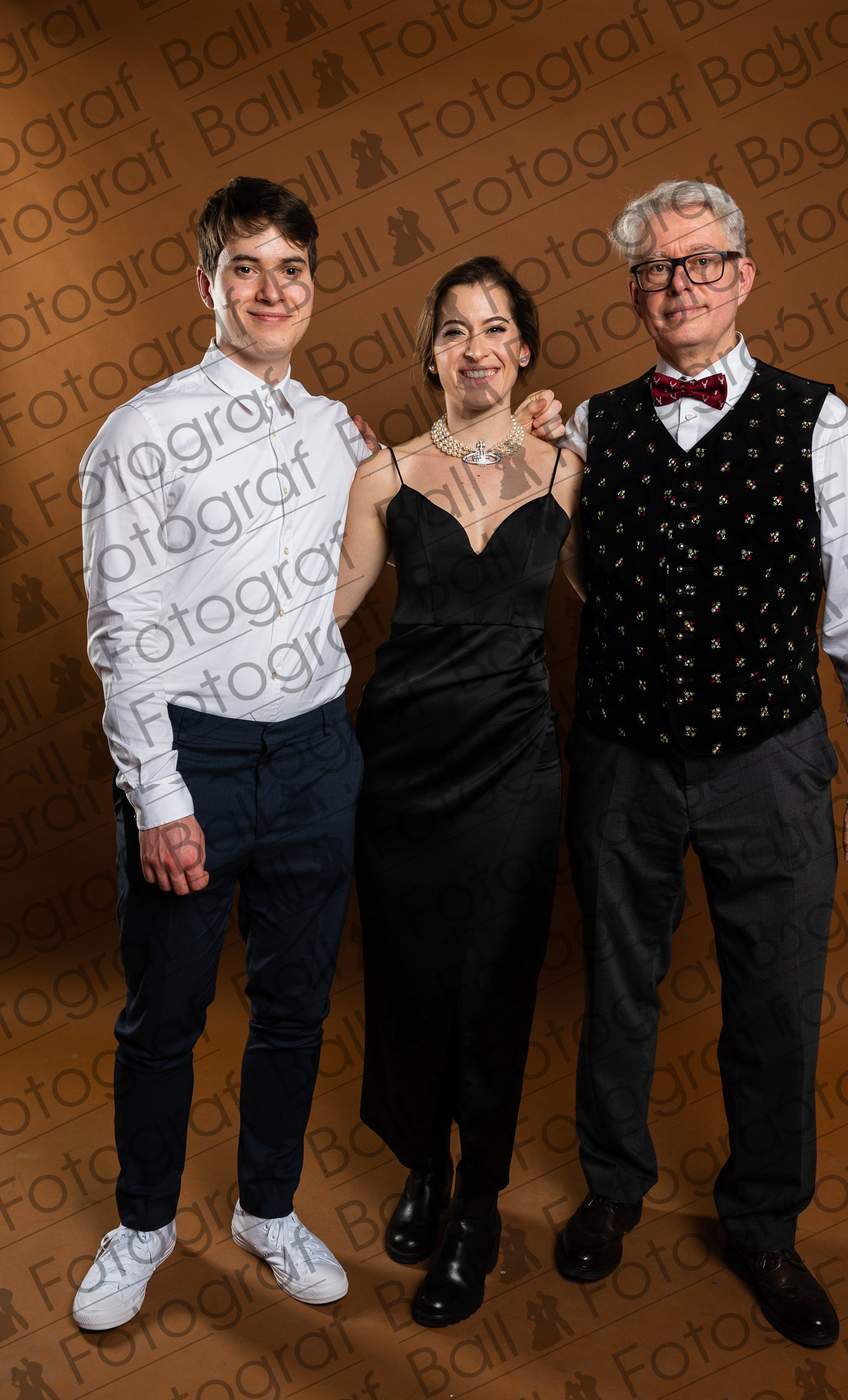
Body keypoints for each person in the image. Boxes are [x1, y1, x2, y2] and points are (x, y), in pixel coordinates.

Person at [551, 179, 848, 1349]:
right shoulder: (592, 423)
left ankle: (763, 1223)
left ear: (743, 275)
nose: (681, 284)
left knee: (776, 997)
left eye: (702, 260)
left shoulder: (818, 417)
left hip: (769, 758)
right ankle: (612, 1186)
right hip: (621, 756)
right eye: (657, 267)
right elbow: (545, 554)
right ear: (634, 292)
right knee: (617, 986)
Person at [73, 176, 371, 1329]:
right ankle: (145, 1222)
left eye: (290, 268)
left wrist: (540, 431)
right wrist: (158, 795)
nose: (269, 289)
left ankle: (266, 1206)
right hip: (193, 755)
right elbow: (122, 628)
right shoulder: (141, 431)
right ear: (207, 283)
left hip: (315, 754)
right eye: (245, 267)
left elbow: (429, 496)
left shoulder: (335, 429)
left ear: (312, 285)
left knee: (294, 1004)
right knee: (166, 1012)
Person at [335, 256, 584, 1327]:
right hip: (402, 765)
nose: (474, 346)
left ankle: (477, 1201)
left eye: (493, 328)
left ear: (522, 350)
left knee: (494, 982)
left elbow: (611, 591)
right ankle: (423, 1165)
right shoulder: (381, 474)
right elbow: (324, 609)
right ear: (430, 354)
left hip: (515, 766)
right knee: (409, 976)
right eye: (452, 329)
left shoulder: (568, 467)